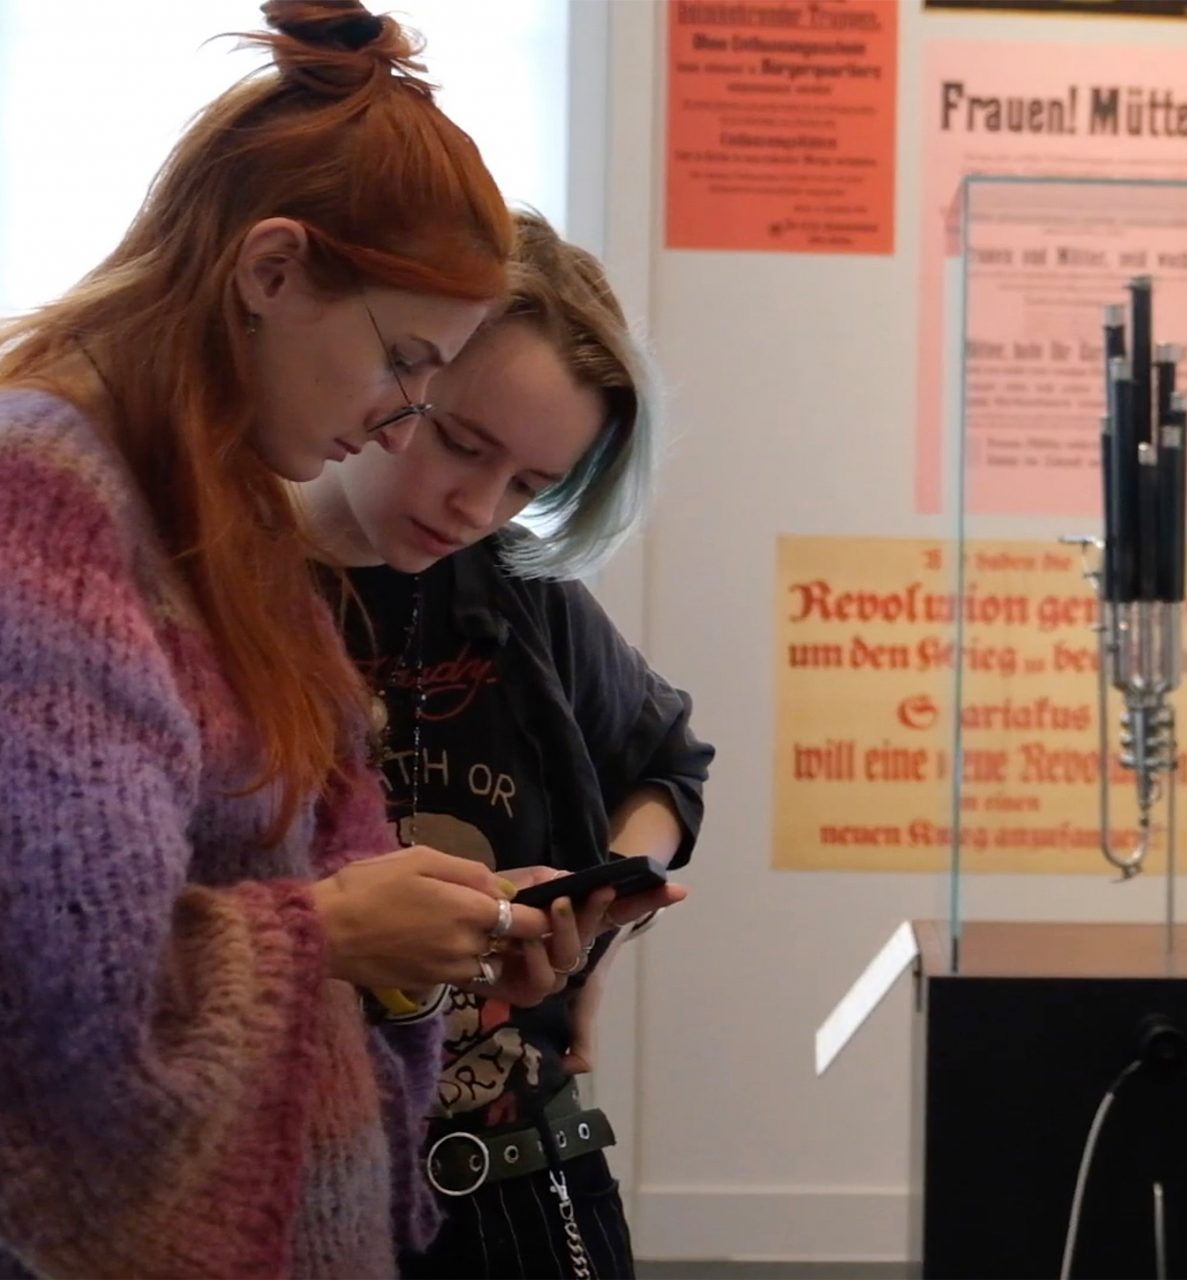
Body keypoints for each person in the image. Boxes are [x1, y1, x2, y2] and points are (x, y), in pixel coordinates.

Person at [0, 5, 590, 1274]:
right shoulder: (43, 497)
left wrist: (442, 934)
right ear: (271, 272)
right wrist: (334, 931)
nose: (397, 420)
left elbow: (323, 857)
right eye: (403, 361)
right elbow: (65, 998)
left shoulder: (224, 510)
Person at [301, 209, 714, 1279]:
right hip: (286, 1185)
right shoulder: (209, 585)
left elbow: (668, 764)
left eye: (530, 485)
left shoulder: (521, 594)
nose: (476, 506)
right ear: (397, 373)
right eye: (460, 443)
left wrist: (601, 907)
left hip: (517, 1179)